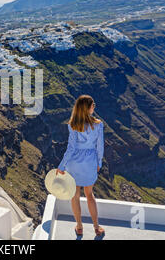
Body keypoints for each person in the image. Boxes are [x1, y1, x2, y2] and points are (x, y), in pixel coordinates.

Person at [56, 95, 105, 237]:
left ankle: (79, 227)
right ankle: (96, 227)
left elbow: (70, 148)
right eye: (93, 104)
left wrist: (62, 165)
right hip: (90, 162)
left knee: (75, 196)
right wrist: (99, 162)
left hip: (74, 163)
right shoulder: (98, 124)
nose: (94, 106)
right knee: (90, 195)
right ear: (88, 108)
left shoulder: (72, 124)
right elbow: (99, 147)